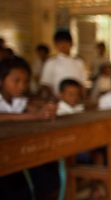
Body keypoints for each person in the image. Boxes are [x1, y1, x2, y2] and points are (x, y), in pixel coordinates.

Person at [0, 57, 59, 200]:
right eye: (16, 81)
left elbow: (33, 107)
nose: (22, 86)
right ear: (1, 80)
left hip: (15, 154)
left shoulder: (19, 100)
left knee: (46, 169)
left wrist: (47, 109)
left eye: (25, 82)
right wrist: (33, 116)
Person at [40, 30, 87, 97]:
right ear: (55, 45)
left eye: (66, 42)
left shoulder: (79, 62)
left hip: (76, 99)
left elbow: (82, 84)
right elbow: (45, 84)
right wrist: (53, 98)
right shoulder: (51, 62)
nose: (63, 45)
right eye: (60, 42)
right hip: (57, 99)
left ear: (71, 43)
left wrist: (83, 97)